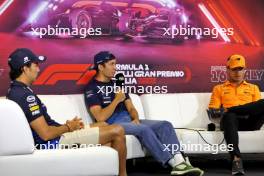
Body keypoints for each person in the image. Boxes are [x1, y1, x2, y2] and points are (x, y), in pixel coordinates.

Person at [6, 48, 127, 176]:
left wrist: (68, 126)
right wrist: (68, 127)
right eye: (36, 65)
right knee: (117, 131)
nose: (38, 69)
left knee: (103, 126)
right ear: (25, 68)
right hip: (52, 143)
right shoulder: (25, 96)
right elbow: (45, 134)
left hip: (56, 136)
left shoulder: (15, 91)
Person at [84, 51, 204, 176]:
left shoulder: (117, 84)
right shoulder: (91, 88)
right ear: (100, 66)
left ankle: (180, 161)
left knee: (165, 125)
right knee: (144, 129)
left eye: (116, 64)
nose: (115, 67)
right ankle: (172, 163)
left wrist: (135, 118)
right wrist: (116, 100)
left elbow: (130, 107)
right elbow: (100, 117)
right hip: (114, 125)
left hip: (130, 121)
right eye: (112, 64)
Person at [208, 54, 264, 175]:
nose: (237, 72)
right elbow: (214, 112)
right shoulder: (219, 88)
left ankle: (231, 109)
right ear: (227, 70)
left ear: (245, 70)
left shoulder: (253, 88)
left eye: (240, 69)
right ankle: (236, 159)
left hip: (250, 122)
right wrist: (226, 112)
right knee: (229, 115)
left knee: (262, 103)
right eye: (234, 69)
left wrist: (229, 109)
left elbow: (257, 109)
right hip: (230, 123)